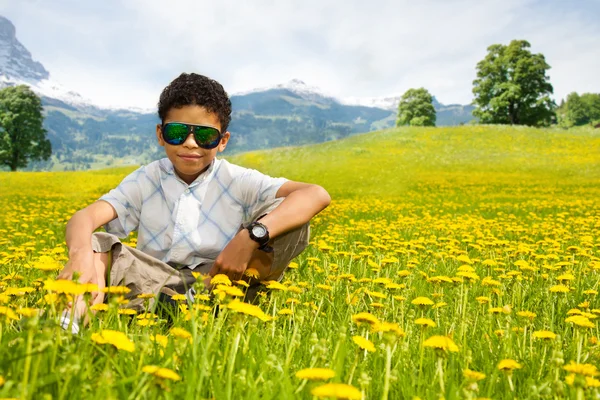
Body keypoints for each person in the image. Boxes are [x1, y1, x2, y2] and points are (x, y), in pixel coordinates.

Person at [57, 73, 331, 332]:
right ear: (160, 134)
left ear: (222, 141)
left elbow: (316, 194)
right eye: (177, 132)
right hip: (153, 282)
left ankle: (217, 310)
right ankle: (68, 326)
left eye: (204, 136)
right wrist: (79, 255)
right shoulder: (147, 178)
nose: (190, 143)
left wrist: (248, 238)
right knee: (97, 247)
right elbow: (84, 218)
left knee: (292, 221)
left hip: (222, 286)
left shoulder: (237, 179)